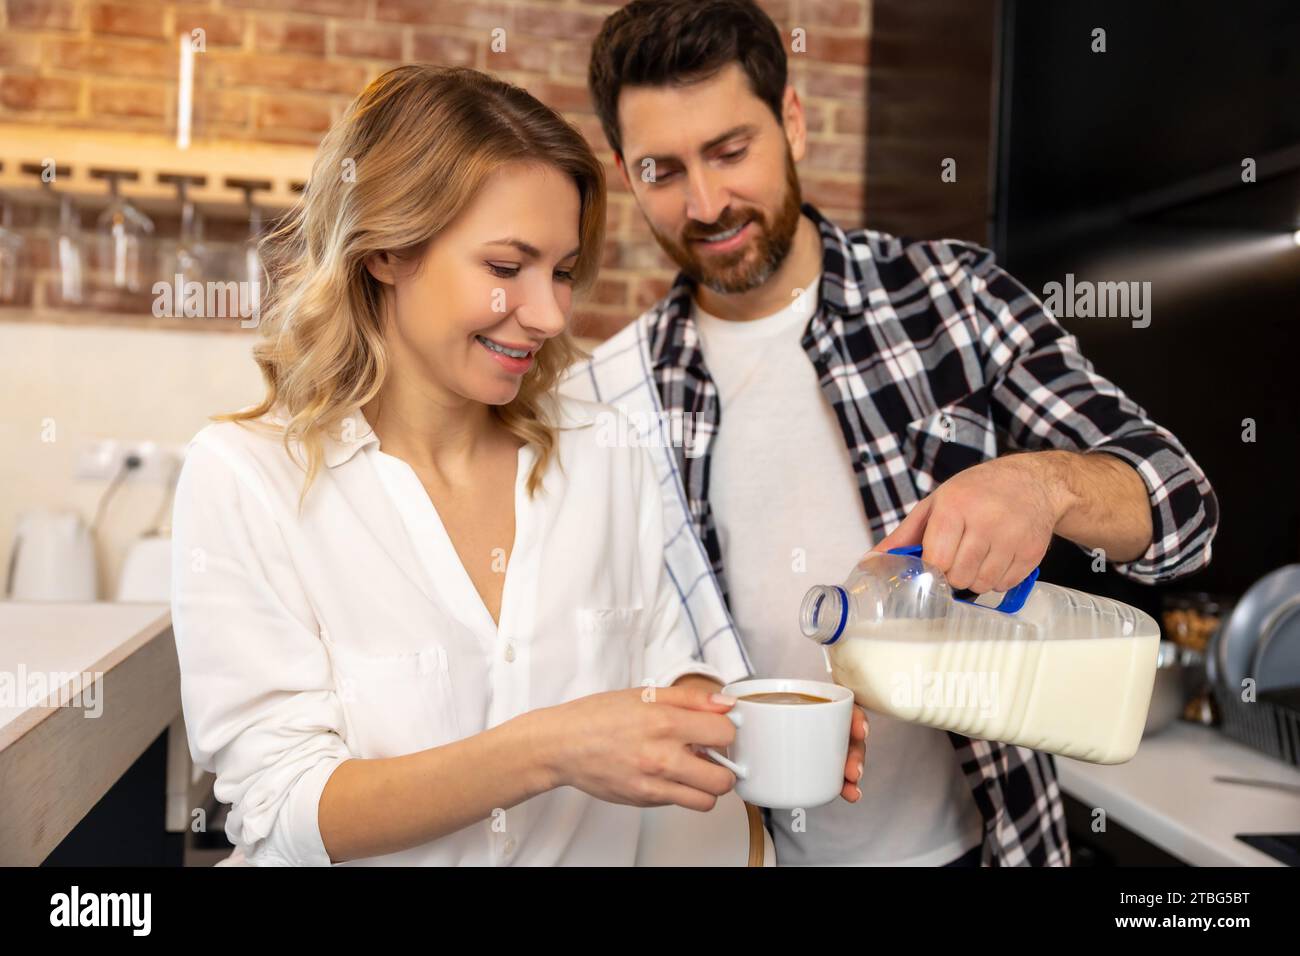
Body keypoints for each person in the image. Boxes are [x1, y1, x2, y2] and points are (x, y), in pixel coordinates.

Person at [562, 0, 1219, 866]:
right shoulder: (612, 393)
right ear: (623, 170)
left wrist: (1043, 484)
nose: (708, 201)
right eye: (662, 170)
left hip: (984, 848)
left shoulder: (954, 299)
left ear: (791, 122)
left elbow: (1182, 507)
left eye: (731, 151)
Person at [169, 64, 868, 866]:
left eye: (563, 271)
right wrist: (548, 749)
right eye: (506, 269)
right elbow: (282, 808)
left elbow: (664, 671)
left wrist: (753, 723)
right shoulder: (247, 477)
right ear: (387, 250)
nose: (549, 314)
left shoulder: (605, 453)